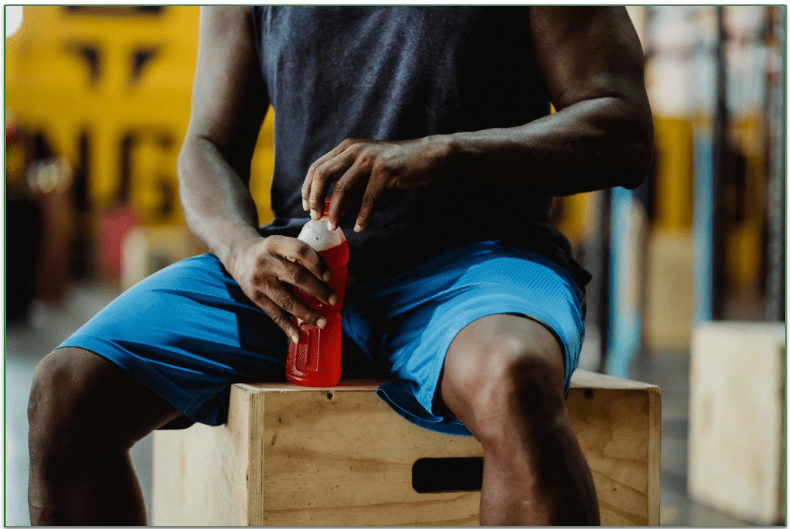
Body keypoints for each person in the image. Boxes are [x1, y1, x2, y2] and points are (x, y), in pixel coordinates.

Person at [27, 6, 653, 526]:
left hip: (480, 265)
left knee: (513, 379)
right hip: (302, 273)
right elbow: (207, 145)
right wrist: (243, 250)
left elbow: (621, 130)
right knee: (67, 393)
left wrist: (442, 152)